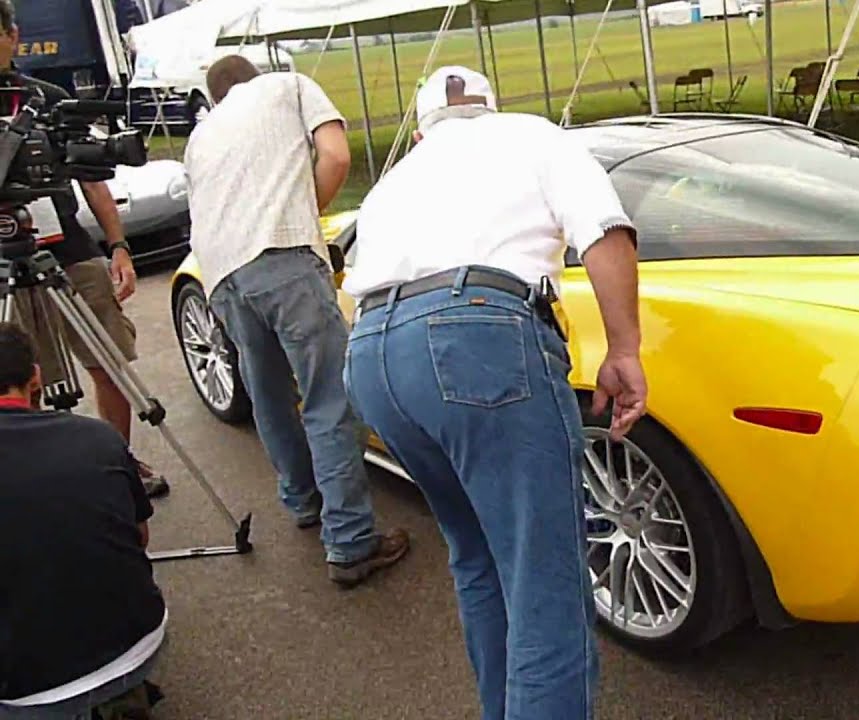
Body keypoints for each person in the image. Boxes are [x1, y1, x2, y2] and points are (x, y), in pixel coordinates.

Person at [341, 66, 648, 720]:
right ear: (491, 106)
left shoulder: (394, 181)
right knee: (547, 582)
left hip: (372, 353)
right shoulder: (533, 135)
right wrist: (624, 350)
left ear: (423, 131)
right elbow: (605, 233)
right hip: (478, 333)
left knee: (477, 557)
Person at [182, 55, 409, 586]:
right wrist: (305, 220)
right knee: (329, 397)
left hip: (220, 277)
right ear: (255, 77)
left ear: (217, 98)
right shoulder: (289, 86)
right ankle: (351, 541)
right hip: (282, 256)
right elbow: (333, 155)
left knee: (269, 394)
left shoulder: (200, 135)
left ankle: (304, 502)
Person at [0, 0, 169, 498]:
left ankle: (113, 462)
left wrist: (118, 246)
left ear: (14, 35)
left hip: (69, 249)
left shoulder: (47, 98)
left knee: (109, 359)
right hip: (4, 258)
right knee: (18, 378)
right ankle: (39, 478)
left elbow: (92, 178)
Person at [0, 322, 167, 720]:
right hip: (140, 642)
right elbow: (138, 536)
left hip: (25, 689)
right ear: (36, 377)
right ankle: (120, 693)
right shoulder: (99, 436)